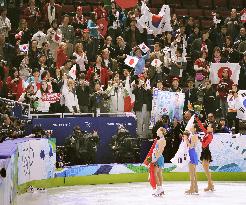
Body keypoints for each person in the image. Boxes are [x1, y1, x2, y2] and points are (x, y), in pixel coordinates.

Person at [196, 116, 214, 192]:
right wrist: (197, 119)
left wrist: (200, 139)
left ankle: (210, 185)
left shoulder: (210, 136)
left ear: (212, 129)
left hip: (206, 152)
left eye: (209, 127)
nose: (207, 127)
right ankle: (211, 185)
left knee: (206, 169)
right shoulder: (207, 133)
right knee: (206, 169)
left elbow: (204, 145)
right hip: (204, 152)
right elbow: (201, 126)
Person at [183, 128, 199, 194]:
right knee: (194, 173)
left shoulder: (192, 136)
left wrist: (186, 140)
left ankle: (192, 188)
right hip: (193, 154)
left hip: (191, 155)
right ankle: (195, 188)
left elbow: (191, 146)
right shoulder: (195, 136)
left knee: (192, 174)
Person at [152, 127, 166, 196]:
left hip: (158, 158)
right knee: (159, 174)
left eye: (158, 130)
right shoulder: (161, 140)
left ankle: (159, 188)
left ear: (161, 131)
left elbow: (160, 150)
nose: (156, 131)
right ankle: (160, 189)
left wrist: (155, 159)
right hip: (159, 157)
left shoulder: (161, 140)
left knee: (155, 173)